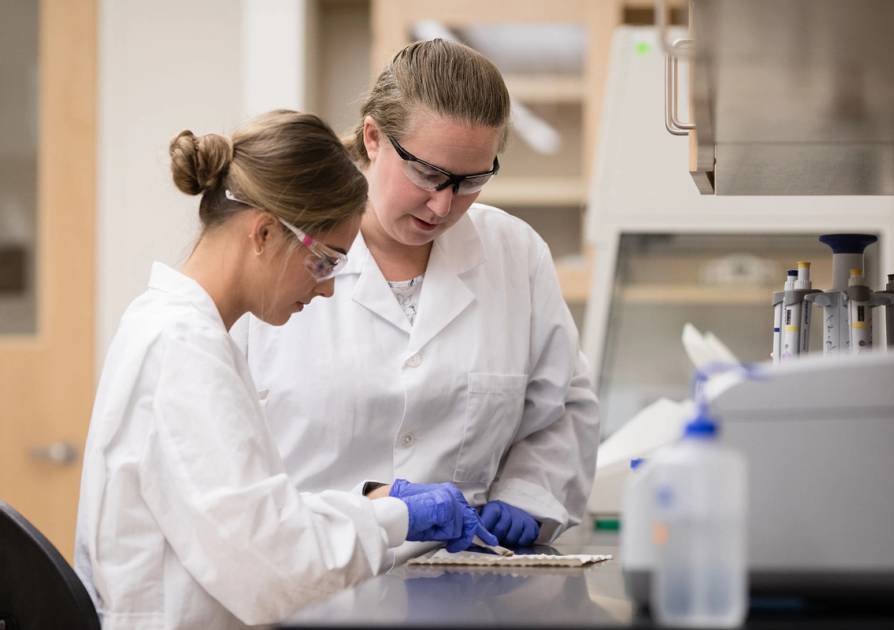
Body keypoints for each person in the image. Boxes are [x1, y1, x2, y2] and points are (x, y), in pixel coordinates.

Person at [74, 110, 496, 630]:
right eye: (326, 261)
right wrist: (400, 519)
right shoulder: (182, 350)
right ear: (265, 233)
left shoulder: (179, 330)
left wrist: (372, 507)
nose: (327, 288)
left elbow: (255, 523)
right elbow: (275, 571)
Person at [232, 40, 600, 552]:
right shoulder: (283, 253)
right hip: (312, 572)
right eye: (428, 173)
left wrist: (528, 493)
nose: (444, 204)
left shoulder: (514, 255)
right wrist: (375, 509)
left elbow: (562, 407)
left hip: (461, 578)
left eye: (472, 180)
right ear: (374, 137)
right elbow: (228, 467)